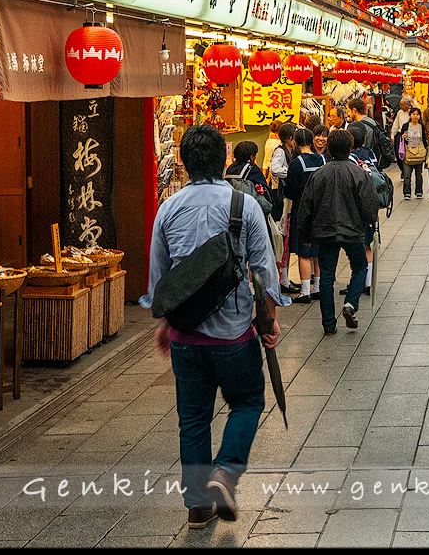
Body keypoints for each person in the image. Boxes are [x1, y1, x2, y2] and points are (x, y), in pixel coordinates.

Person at [144, 123, 282, 528]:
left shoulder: (167, 210)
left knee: (192, 418)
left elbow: (159, 281)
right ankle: (226, 471)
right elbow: (265, 274)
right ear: (223, 158)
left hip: (186, 338)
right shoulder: (245, 206)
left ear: (184, 163)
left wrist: (166, 324)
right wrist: (270, 322)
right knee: (248, 402)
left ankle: (198, 505)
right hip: (236, 335)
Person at [291, 129, 378, 335]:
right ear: (349, 148)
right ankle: (350, 303)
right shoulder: (358, 172)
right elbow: (369, 204)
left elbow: (306, 205)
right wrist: (368, 222)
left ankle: (328, 323)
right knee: (359, 267)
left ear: (329, 148)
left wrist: (305, 232)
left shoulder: (319, 174)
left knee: (327, 275)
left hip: (324, 230)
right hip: (352, 230)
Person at [283, 129, 327, 303]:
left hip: (303, 211)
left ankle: (305, 291)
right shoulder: (323, 159)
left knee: (304, 252)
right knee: (318, 250)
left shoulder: (297, 163)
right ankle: (317, 287)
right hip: (322, 210)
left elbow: (291, 191)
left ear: (295, 141)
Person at [345, 121, 381, 295]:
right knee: (368, 245)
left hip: (356, 207)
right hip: (371, 203)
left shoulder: (351, 158)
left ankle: (359, 281)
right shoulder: (370, 153)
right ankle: (368, 282)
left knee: (358, 246)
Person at [396, 106, 427, 200]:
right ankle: (407, 193)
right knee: (407, 175)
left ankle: (419, 192)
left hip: (419, 152)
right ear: (410, 115)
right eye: (413, 114)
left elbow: (424, 139)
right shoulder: (406, 126)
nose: (416, 116)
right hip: (408, 152)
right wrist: (403, 136)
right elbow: (401, 138)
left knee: (419, 175)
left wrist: (426, 150)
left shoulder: (421, 126)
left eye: (417, 114)